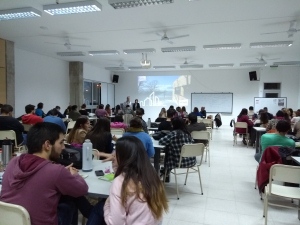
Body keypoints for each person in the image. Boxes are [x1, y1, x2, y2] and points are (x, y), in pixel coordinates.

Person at [0, 122, 89, 225]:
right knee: (69, 203)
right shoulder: (56, 171)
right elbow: (82, 190)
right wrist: (74, 175)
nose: (63, 147)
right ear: (47, 145)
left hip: (8, 221)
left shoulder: (13, 162)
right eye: (61, 143)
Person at [87, 136, 168, 225]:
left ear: (123, 157)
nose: (113, 156)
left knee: (100, 207)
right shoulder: (151, 174)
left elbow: (115, 223)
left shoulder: (121, 181)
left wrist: (107, 205)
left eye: (115, 153)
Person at [159, 118, 195, 182]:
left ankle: (165, 171)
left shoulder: (174, 133)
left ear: (174, 125)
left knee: (169, 149)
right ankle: (165, 171)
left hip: (178, 162)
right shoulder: (188, 134)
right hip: (191, 161)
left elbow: (161, 141)